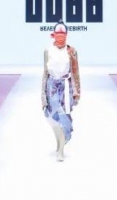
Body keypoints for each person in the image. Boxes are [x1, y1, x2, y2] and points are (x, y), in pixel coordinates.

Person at [41, 22, 81, 162]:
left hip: (66, 88)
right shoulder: (47, 51)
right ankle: (59, 142)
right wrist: (43, 96)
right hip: (51, 87)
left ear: (66, 35)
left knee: (64, 117)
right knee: (52, 118)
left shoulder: (71, 51)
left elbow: (75, 73)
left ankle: (61, 151)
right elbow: (45, 73)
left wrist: (77, 92)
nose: (60, 37)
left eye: (63, 34)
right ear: (53, 35)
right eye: (58, 34)